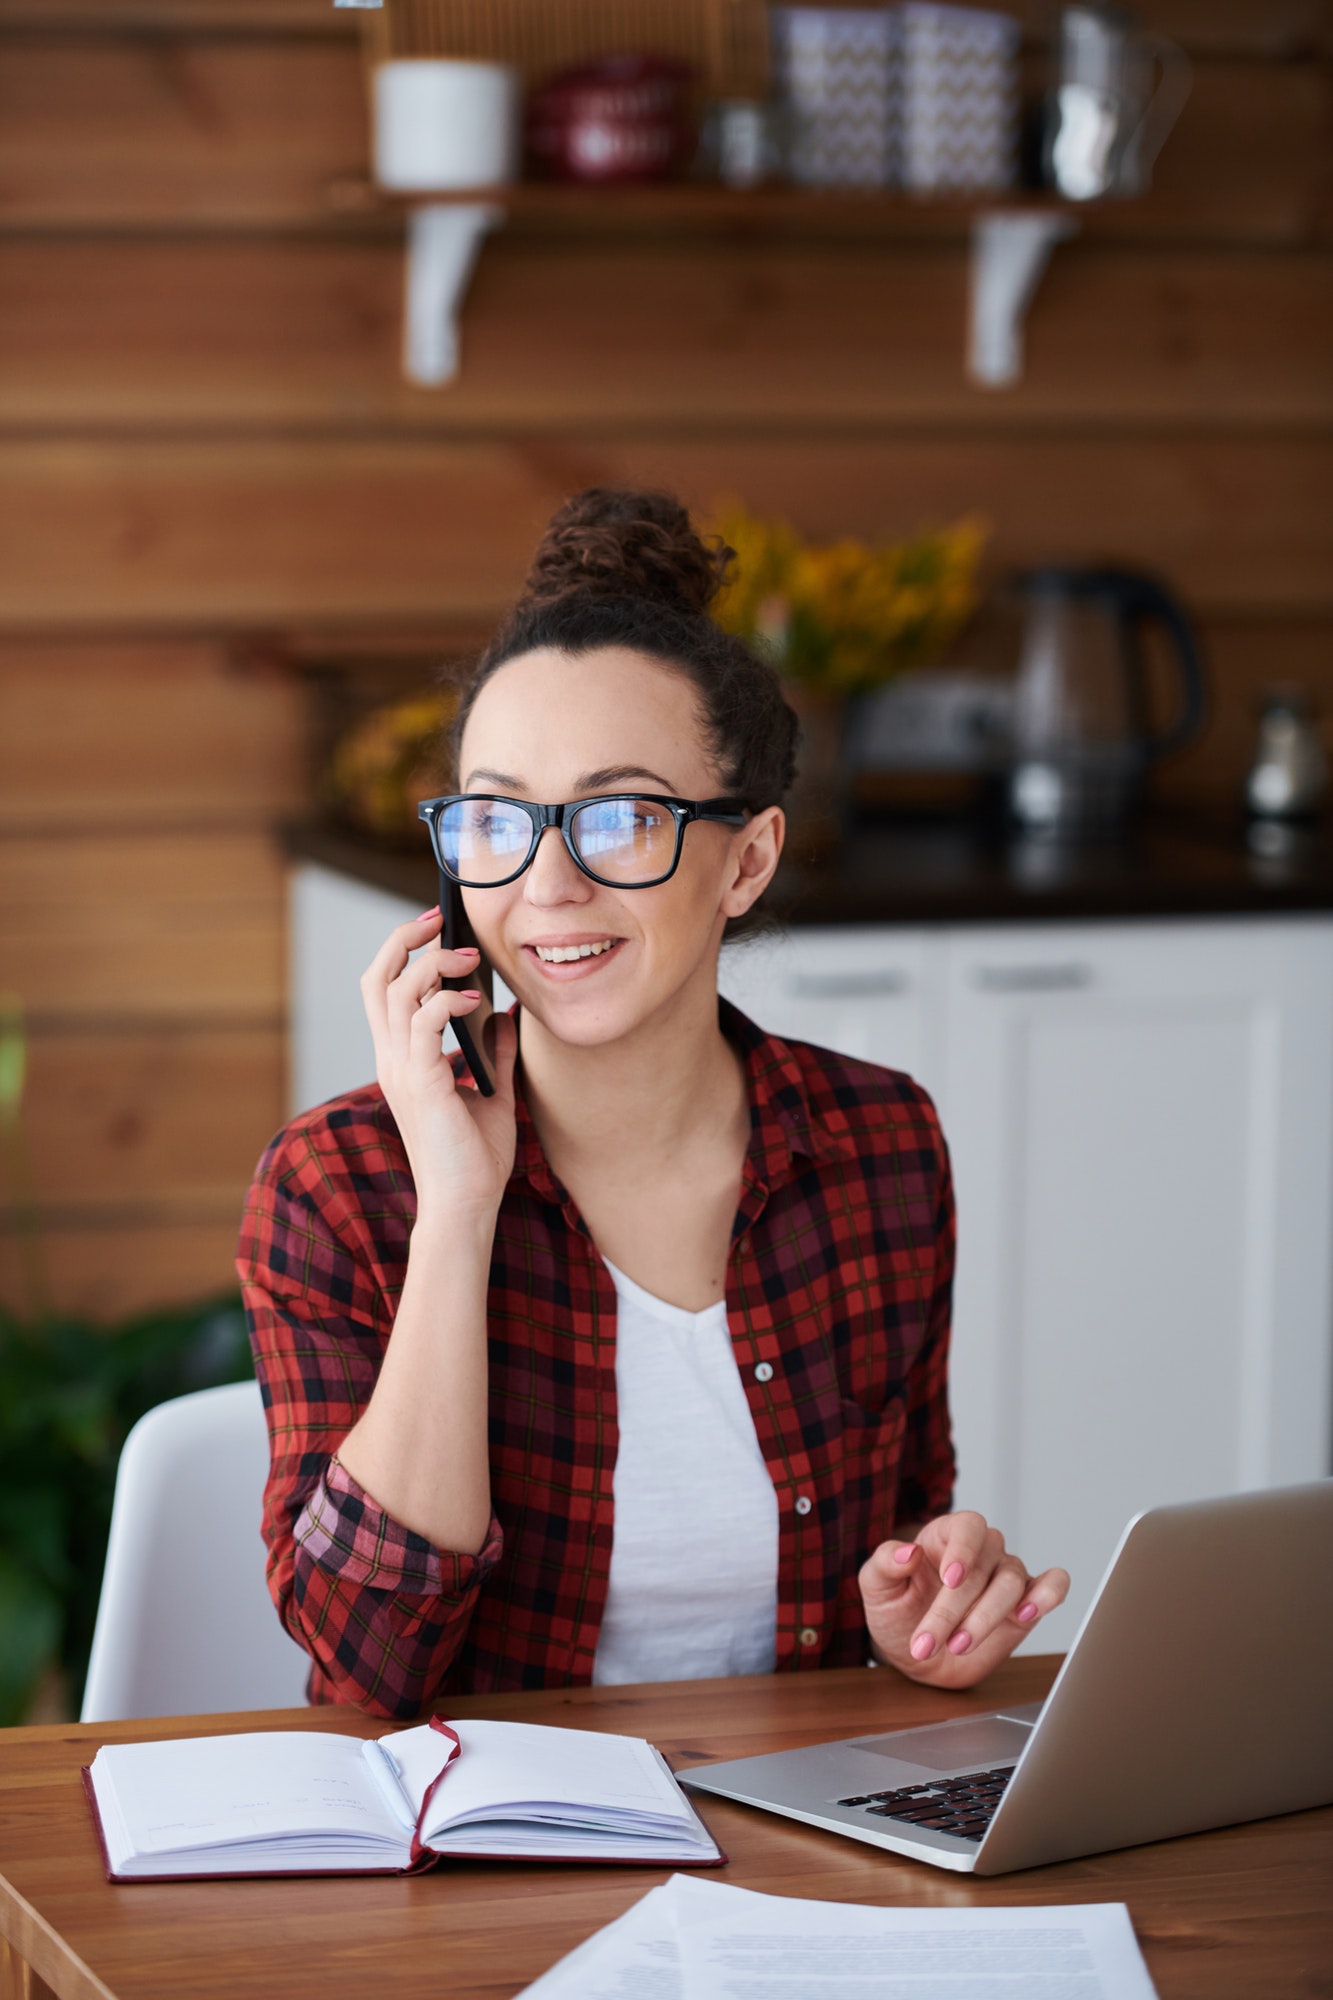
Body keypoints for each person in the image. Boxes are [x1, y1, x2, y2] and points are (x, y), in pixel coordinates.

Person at [239, 487, 1068, 1718]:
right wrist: (459, 1204)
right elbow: (370, 1668)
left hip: (786, 1842)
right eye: (497, 818)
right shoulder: (339, 1183)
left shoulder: (882, 1145)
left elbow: (888, 1565)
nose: (547, 883)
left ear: (747, 858)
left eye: (621, 815)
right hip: (477, 1863)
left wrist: (918, 1616)